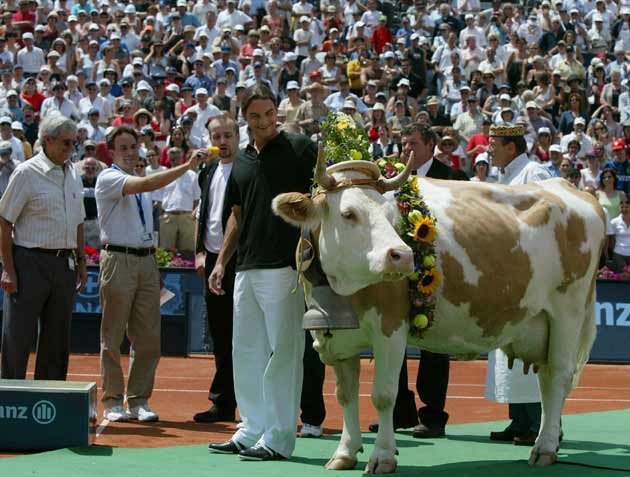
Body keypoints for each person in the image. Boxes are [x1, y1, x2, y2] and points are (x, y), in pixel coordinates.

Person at [207, 85, 316, 461]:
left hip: (285, 268)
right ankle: (250, 429)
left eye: (270, 113)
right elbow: (236, 216)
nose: (265, 121)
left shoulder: (301, 149)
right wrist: (222, 261)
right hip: (245, 268)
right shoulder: (240, 161)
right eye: (256, 115)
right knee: (246, 351)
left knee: (284, 355)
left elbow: (321, 198)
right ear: (245, 118)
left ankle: (279, 439)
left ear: (277, 112)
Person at [95, 125, 200, 423]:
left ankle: (139, 400)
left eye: (133, 147)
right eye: (124, 148)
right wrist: (186, 166)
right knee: (112, 335)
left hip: (145, 261)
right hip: (118, 259)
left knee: (149, 337)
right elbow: (149, 184)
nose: (130, 153)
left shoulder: (139, 183)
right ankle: (113, 400)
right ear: (112, 152)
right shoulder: (108, 177)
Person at [370, 123, 463, 438]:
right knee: (390, 338)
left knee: (434, 343)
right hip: (397, 269)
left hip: (436, 271)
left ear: (430, 145)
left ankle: (433, 415)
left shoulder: (452, 177)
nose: (405, 148)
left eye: (411, 143)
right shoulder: (389, 175)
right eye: (402, 142)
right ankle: (400, 413)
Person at [0, 113, 87, 380]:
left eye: (74, 143)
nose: (71, 149)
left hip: (64, 264)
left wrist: (81, 261)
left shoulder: (73, 173)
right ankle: (10, 403)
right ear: (48, 140)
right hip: (29, 261)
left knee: (57, 338)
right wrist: (8, 269)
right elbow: (4, 222)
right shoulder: (26, 173)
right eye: (66, 143)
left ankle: (51, 404)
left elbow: (79, 221)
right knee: (18, 335)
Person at [486, 123, 552, 445]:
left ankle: (537, 424)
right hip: (506, 275)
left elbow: (548, 218)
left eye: (494, 143)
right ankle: (518, 420)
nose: (489, 148)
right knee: (510, 348)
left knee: (531, 347)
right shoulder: (505, 176)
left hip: (530, 275)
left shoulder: (534, 173)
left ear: (511, 147)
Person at [193, 115, 238, 423]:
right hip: (210, 261)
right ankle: (222, 403)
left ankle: (251, 404)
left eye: (227, 135)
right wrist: (199, 251)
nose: (221, 141)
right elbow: (204, 213)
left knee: (245, 335)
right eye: (216, 136)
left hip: (241, 261)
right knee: (220, 334)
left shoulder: (248, 168)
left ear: (237, 136)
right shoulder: (207, 170)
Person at [155, 147, 201, 253]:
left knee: (188, 251)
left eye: (177, 157)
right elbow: (158, 199)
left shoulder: (192, 175)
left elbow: (196, 199)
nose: (175, 160)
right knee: (166, 251)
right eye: (172, 158)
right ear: (168, 158)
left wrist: (193, 217)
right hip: (168, 216)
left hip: (187, 217)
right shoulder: (164, 175)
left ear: (182, 158)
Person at [81, 157, 101, 249]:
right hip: (80, 222)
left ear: (97, 170)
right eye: (87, 168)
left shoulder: (100, 182)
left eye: (93, 168)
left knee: (95, 251)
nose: (90, 170)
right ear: (83, 169)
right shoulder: (77, 181)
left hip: (95, 222)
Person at [609, 198, 630, 273]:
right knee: (621, 277)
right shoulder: (614, 222)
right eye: (622, 207)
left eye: (627, 207)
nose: (624, 209)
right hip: (619, 254)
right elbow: (612, 239)